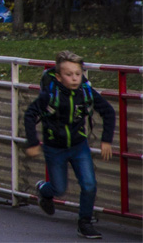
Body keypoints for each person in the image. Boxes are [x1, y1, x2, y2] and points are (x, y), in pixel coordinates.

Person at [24, 50, 116, 240]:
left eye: (78, 74)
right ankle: (44, 189)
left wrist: (106, 140)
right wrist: (33, 142)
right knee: (59, 189)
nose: (75, 79)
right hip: (54, 148)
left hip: (78, 146)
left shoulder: (86, 92)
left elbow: (108, 111)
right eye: (69, 74)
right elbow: (30, 115)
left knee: (89, 185)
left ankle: (85, 223)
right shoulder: (50, 95)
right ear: (58, 77)